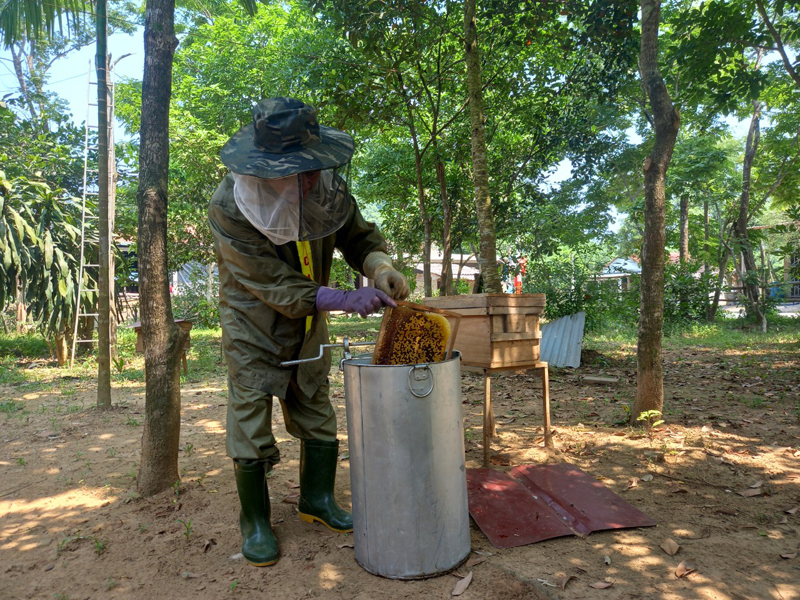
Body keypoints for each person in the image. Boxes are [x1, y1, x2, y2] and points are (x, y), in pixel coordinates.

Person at [209, 97, 410, 567]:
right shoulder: (229, 208)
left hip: (307, 326)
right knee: (251, 418)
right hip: (252, 325)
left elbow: (357, 236)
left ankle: (316, 501)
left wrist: (379, 266)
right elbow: (268, 281)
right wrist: (342, 298)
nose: (310, 176)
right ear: (265, 168)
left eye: (312, 166)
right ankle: (255, 521)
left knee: (316, 406)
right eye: (296, 169)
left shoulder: (325, 189)